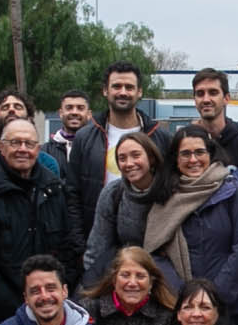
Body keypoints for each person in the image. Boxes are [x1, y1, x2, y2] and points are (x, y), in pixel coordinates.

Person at [0, 119, 81, 325]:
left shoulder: (53, 187)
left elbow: (67, 245)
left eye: (29, 143)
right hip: (0, 307)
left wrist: (55, 291)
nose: (22, 149)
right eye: (15, 142)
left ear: (38, 149)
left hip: (49, 304)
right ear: (1, 148)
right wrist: (13, 298)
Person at [146, 131, 238, 324]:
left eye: (200, 152)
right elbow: (154, 251)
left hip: (231, 307)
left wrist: (215, 297)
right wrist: (185, 297)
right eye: (185, 154)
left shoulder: (233, 190)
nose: (193, 159)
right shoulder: (165, 197)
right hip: (182, 308)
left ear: (210, 154)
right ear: (175, 158)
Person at [71, 60, 170, 249]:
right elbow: (73, 194)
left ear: (139, 92)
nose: (123, 92)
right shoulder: (84, 137)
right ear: (105, 91)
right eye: (116, 86)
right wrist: (79, 245)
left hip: (150, 240)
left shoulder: (160, 137)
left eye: (129, 87)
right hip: (97, 239)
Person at [83, 129, 172, 285]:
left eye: (136, 156)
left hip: (167, 276)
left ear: (151, 158)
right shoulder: (112, 194)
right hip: (126, 277)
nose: (129, 163)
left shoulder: (173, 191)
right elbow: (97, 248)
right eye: (122, 158)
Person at [181, 67, 238, 168]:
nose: (206, 99)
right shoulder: (183, 142)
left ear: (226, 98)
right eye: (200, 94)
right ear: (194, 99)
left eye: (213, 93)